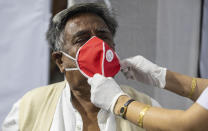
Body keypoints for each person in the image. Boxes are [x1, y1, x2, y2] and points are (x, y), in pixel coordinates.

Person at [2, 3, 162, 131]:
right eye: (82, 39)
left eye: (103, 37)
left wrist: (164, 77)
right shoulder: (29, 108)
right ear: (60, 61)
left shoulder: (146, 107)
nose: (97, 46)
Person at [88, 55, 208, 131]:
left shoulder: (146, 102)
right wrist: (163, 77)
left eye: (103, 36)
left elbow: (189, 126)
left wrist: (121, 103)